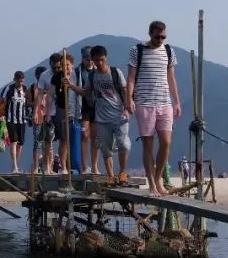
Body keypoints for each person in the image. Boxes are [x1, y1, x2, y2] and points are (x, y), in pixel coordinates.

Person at [126, 20, 182, 196]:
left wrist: (177, 101)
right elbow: (131, 78)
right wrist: (129, 98)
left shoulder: (168, 51)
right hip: (145, 103)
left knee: (166, 143)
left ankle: (158, 179)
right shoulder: (137, 50)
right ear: (150, 33)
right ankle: (151, 183)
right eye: (158, 36)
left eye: (163, 36)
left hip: (164, 102)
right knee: (148, 145)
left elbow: (171, 78)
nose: (160, 39)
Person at [86, 45, 131, 183]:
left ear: (106, 58)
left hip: (119, 116)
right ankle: (111, 176)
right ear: (92, 60)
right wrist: (71, 86)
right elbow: (86, 92)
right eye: (96, 60)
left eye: (102, 59)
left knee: (123, 144)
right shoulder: (92, 75)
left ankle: (122, 172)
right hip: (102, 118)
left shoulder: (115, 72)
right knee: (106, 149)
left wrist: (126, 108)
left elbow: (124, 91)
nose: (99, 63)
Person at [0, 70, 30, 173]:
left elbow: (28, 104)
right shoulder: (9, 88)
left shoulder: (25, 89)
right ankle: (14, 166)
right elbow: (0, 101)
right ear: (14, 80)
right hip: (10, 119)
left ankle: (16, 163)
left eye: (22, 81)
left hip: (22, 120)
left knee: (20, 143)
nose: (20, 84)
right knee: (13, 142)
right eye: (18, 81)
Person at [78, 47, 98, 174]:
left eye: (91, 59)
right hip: (83, 107)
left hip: (96, 107)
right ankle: (85, 166)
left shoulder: (98, 71)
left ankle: (95, 166)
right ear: (83, 58)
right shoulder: (78, 72)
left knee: (95, 137)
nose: (89, 62)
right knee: (84, 135)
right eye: (87, 59)